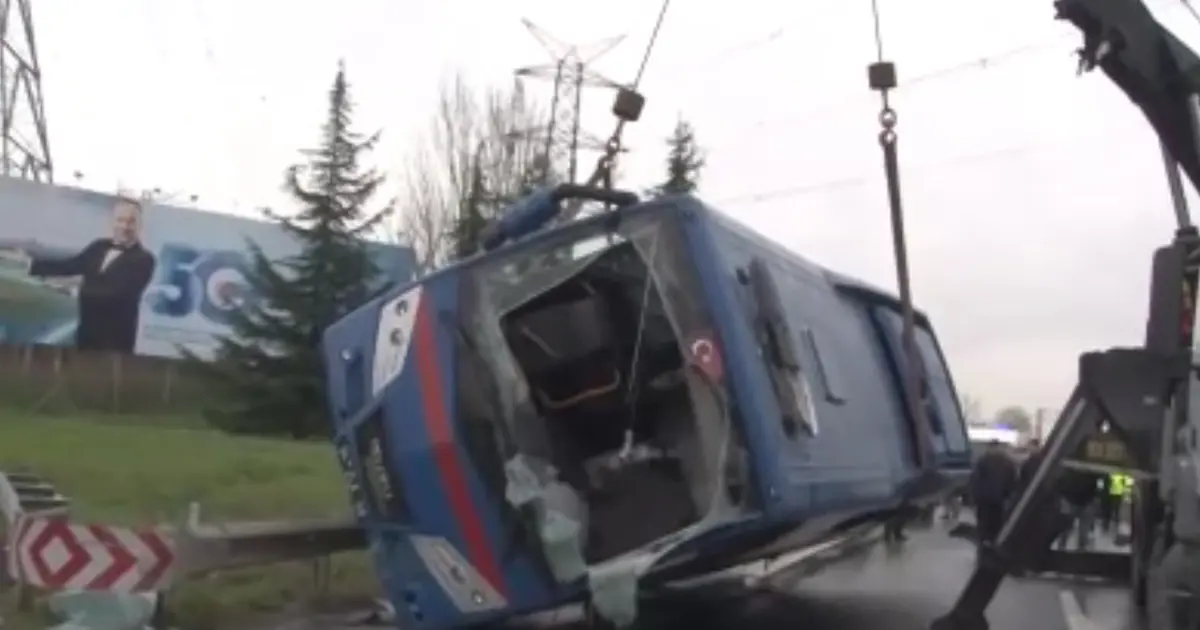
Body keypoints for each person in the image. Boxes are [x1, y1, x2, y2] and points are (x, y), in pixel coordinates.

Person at [0, 197, 156, 354]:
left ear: (140, 225)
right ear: (112, 222)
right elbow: (70, 265)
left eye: (131, 221)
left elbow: (118, 294)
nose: (125, 226)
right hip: (85, 337)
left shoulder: (144, 259)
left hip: (115, 344)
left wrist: (69, 291)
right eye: (120, 220)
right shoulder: (98, 246)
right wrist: (30, 264)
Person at [970, 439, 1019, 549]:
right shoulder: (1008, 462)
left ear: (989, 448)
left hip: (984, 499)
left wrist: (974, 497)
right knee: (998, 523)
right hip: (1000, 499)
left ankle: (984, 544)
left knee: (984, 523)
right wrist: (1009, 495)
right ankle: (996, 544)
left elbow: (976, 480)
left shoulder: (982, 461)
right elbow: (1012, 480)